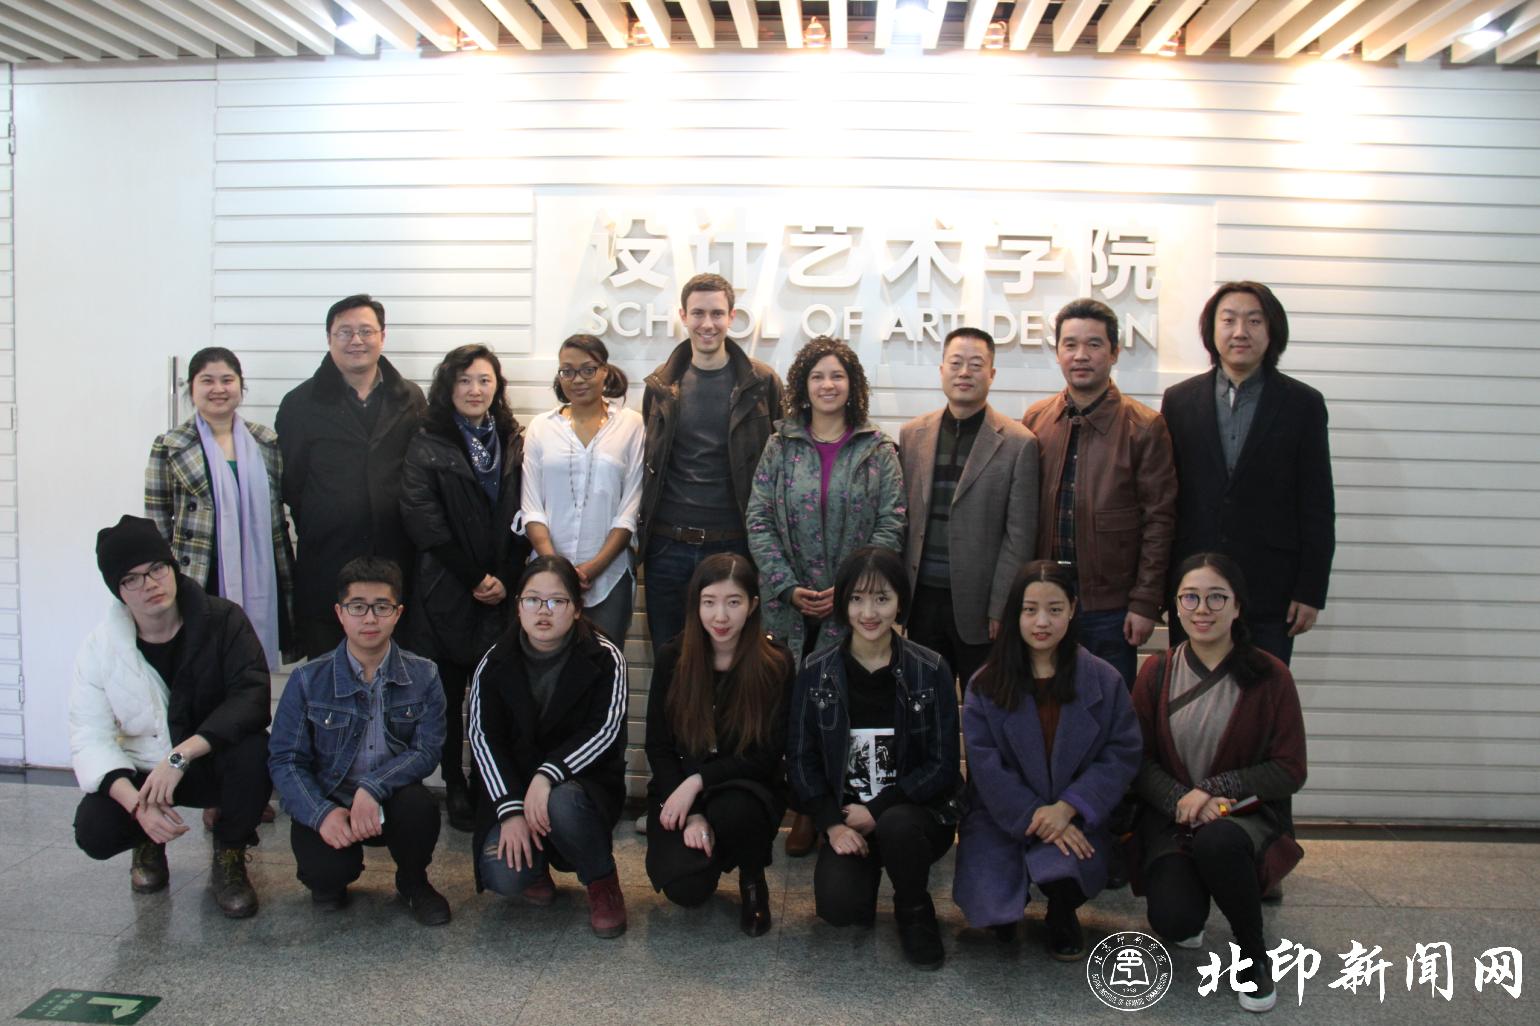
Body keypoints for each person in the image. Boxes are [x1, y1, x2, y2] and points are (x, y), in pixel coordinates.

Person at [747, 335, 906, 857]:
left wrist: (854, 589)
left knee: (842, 707)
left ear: (852, 384)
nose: (828, 385)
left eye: (837, 375)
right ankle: (802, 805)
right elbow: (758, 518)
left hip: (854, 606)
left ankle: (838, 807)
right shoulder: (780, 444)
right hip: (789, 605)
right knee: (791, 706)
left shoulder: (877, 449)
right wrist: (787, 585)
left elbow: (892, 522)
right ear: (803, 385)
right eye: (818, 376)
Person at [1131, 552, 1308, 1013]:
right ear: (1175, 607)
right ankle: (1198, 895)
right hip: (1175, 818)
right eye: (1190, 597)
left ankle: (1253, 954)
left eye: (1216, 597)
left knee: (1219, 842)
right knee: (1174, 920)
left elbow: (1290, 768)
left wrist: (1215, 788)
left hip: (1243, 817)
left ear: (1237, 606)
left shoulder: (1271, 676)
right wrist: (1180, 798)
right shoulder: (1156, 672)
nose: (1202, 609)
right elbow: (1136, 761)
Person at [70, 515, 270, 918]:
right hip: (145, 770)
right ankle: (146, 839)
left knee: (258, 753)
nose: (149, 584)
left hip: (205, 761)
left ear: (172, 567)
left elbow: (251, 697)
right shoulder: (100, 647)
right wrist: (136, 805)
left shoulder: (223, 620)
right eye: (131, 579)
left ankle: (229, 852)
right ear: (118, 590)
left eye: (157, 569)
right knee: (94, 829)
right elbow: (89, 736)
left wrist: (181, 756)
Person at [952, 561, 1141, 959]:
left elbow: (1121, 753)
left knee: (1065, 871)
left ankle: (1061, 912)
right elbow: (986, 767)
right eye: (1030, 609)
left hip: (1075, 817)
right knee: (990, 907)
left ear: (1072, 609)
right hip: (1002, 816)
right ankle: (1007, 904)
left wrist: (1068, 808)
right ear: (1015, 614)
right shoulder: (985, 683)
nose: (1042, 622)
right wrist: (1038, 814)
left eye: (1054, 609)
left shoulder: (1104, 680)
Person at [787, 547, 960, 969]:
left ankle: (914, 908)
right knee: (839, 906)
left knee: (898, 826)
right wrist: (831, 824)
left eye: (882, 598)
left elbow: (942, 765)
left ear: (900, 602)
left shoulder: (930, 669)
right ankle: (864, 879)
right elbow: (801, 759)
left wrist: (878, 810)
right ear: (843, 604)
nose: (869, 612)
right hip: (848, 819)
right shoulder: (816, 670)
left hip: (915, 817)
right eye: (857, 599)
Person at [267, 557, 451, 925]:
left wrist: (373, 787)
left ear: (398, 613)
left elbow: (427, 750)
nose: (370, 618)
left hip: (390, 800)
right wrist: (321, 813)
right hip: (330, 798)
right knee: (326, 878)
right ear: (340, 613)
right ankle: (331, 876)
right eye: (357, 607)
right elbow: (285, 760)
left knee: (419, 807)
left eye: (382, 607)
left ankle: (412, 880)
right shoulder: (307, 679)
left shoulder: (424, 674)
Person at [1160, 282, 1335, 666]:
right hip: (1195, 590)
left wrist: (1310, 590)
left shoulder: (1303, 404)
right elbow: (1167, 499)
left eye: (1254, 321)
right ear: (1212, 330)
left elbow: (1317, 504)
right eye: (1229, 320)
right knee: (1193, 689)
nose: (1240, 332)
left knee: (1262, 691)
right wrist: (1160, 587)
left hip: (1271, 588)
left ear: (1272, 331)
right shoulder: (1179, 400)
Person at [467, 555, 631, 937]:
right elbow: (483, 739)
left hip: (579, 788)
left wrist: (547, 775)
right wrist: (509, 809)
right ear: (518, 606)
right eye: (532, 600)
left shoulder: (606, 657)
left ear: (577, 609)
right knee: (504, 874)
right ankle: (536, 868)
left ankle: (601, 880)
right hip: (514, 788)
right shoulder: (494, 660)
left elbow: (604, 730)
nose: (543, 611)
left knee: (562, 802)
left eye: (557, 601)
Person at [400, 344, 528, 831]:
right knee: (449, 695)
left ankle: (487, 782)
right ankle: (454, 782)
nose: (475, 390)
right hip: (447, 587)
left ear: (497, 386)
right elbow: (423, 520)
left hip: (503, 589)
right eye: (464, 380)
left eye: (484, 380)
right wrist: (474, 578)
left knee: (493, 693)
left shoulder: (513, 439)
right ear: (447, 386)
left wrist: (507, 578)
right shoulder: (427, 442)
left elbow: (526, 511)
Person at [1022, 300, 1177, 688]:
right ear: (1057, 352)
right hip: (1045, 600)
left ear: (1114, 352)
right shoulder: (1036, 420)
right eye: (1070, 344)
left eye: (1093, 344)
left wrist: (1145, 602)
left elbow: (1160, 521)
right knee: (1043, 706)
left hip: (1111, 607)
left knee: (1107, 708)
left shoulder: (1145, 427)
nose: (1080, 355)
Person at [644, 553, 794, 937]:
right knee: (685, 889)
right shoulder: (673, 657)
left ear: (753, 605)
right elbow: (658, 746)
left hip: (745, 788)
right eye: (709, 602)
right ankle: (711, 848)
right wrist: (693, 811)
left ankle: (752, 877)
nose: (720, 616)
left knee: (736, 811)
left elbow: (767, 756)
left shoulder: (776, 662)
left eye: (733, 602)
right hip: (681, 785)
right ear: (695, 605)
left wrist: (698, 782)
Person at [639, 272, 783, 658]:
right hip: (667, 546)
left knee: (734, 658)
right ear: (683, 316)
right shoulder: (660, 386)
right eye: (698, 313)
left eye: (717, 313)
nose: (707, 324)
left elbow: (780, 463)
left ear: (732, 317)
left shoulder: (762, 383)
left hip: (735, 544)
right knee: (670, 657)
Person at [277, 294, 427, 658]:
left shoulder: (410, 398)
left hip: (397, 557)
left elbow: (420, 473)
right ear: (329, 338)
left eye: (366, 331)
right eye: (344, 332)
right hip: (327, 560)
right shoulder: (299, 404)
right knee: (328, 670)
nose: (356, 340)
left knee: (398, 669)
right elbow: (292, 483)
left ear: (383, 336)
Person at [900, 326, 1039, 690]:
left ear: (992, 374)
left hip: (980, 606)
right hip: (921, 600)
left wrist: (1001, 606)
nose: (965, 372)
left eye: (976, 365)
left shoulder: (1019, 443)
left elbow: (1019, 536)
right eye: (956, 363)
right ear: (941, 370)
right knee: (924, 703)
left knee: (987, 703)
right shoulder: (912, 434)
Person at [145, 346, 294, 669]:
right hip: (200, 575)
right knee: (203, 666)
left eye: (227, 380)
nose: (218, 389)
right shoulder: (170, 445)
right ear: (192, 388)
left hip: (260, 575)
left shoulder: (266, 442)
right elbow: (157, 526)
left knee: (250, 666)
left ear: (240, 385)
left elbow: (277, 516)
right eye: (207, 380)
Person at [520, 334, 644, 645]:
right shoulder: (541, 427)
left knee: (604, 661)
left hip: (609, 576)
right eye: (568, 371)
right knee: (546, 661)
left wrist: (592, 568)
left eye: (588, 369)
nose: (577, 379)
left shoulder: (631, 425)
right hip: (546, 577)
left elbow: (629, 509)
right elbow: (532, 507)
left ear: (605, 371)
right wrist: (557, 570)